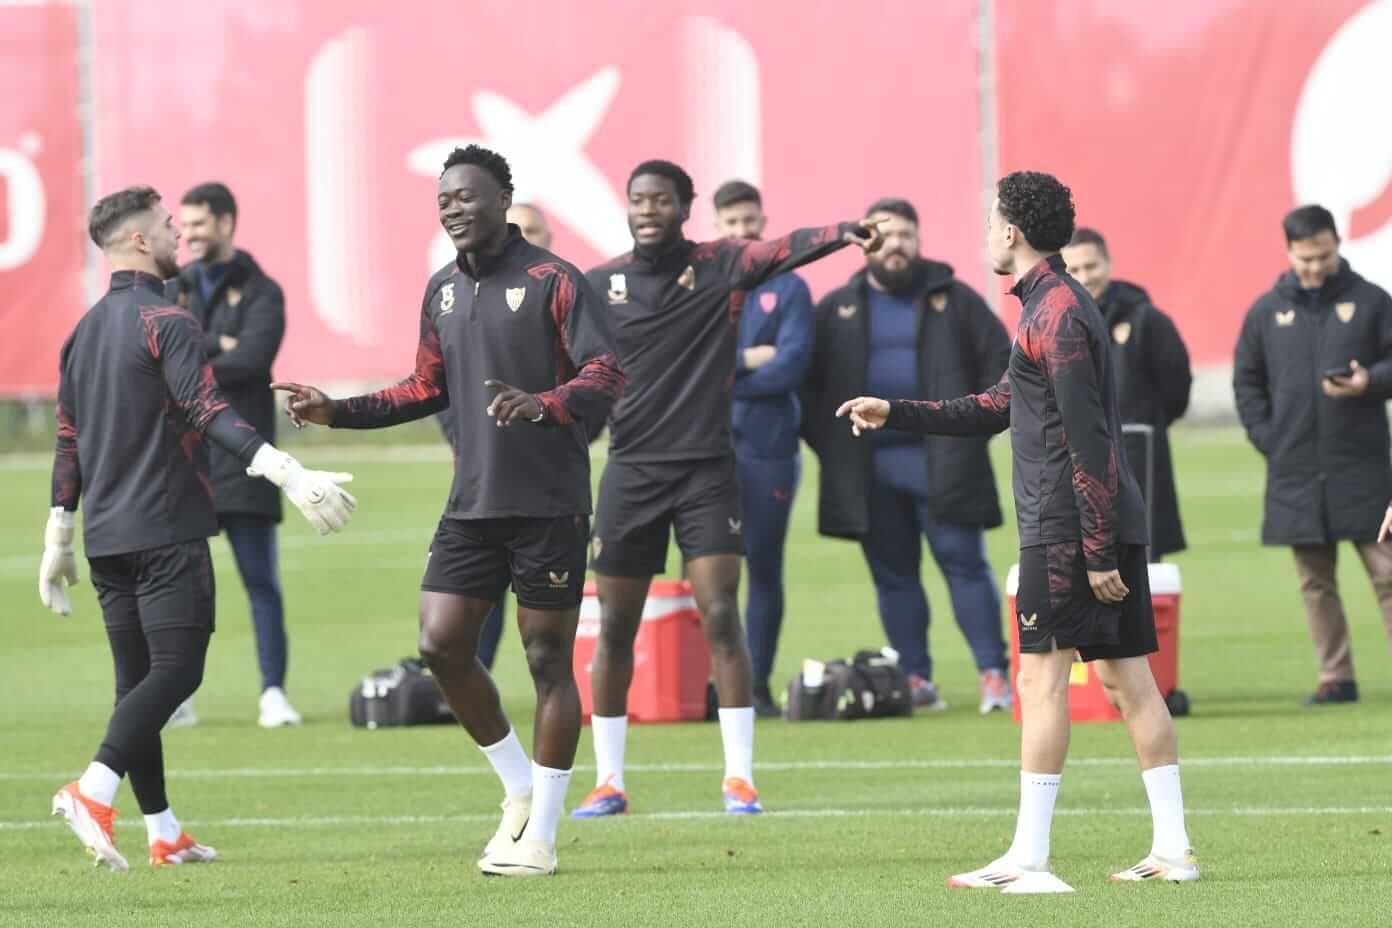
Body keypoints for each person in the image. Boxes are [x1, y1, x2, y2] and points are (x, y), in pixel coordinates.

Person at [837, 171, 1196, 891]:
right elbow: (999, 405)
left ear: (1010, 232)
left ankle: (1030, 858)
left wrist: (1095, 550)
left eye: (989, 223)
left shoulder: (1055, 311)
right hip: (1094, 522)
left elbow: (1088, 439)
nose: (984, 236)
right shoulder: (1052, 304)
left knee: (1040, 679)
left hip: (1067, 527)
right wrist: (896, 411)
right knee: (1129, 683)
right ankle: (1174, 851)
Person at [272, 145, 624, 877]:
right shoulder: (441, 291)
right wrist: (334, 411)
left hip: (549, 505)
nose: (454, 208)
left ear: (503, 198)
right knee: (440, 645)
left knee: (545, 661)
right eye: (445, 201)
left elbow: (606, 371)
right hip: (473, 504)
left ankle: (545, 837)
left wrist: (546, 404)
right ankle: (519, 789)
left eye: (467, 196)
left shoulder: (554, 280)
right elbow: (422, 387)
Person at [39, 185, 357, 872]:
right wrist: (289, 472)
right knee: (179, 673)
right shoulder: (168, 321)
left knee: (138, 688)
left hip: (107, 538)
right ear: (138, 243)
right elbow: (209, 410)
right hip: (166, 527)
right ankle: (94, 791)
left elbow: (68, 439)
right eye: (164, 226)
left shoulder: (83, 331)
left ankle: (163, 830)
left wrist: (58, 536)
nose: (176, 235)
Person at [572, 159, 884, 819]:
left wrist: (846, 231)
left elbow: (787, 247)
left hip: (708, 469)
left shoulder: (722, 265)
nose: (647, 209)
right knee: (617, 627)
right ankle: (607, 781)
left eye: (660, 200)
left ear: (685, 207)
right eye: (637, 200)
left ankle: (739, 779)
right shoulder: (601, 285)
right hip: (630, 470)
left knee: (719, 612)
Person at [804, 197, 1012, 713]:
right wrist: (834, 444)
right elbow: (807, 392)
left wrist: (970, 431)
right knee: (893, 576)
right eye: (884, 234)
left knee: (965, 567)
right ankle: (916, 678)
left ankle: (993, 675)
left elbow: (1006, 372)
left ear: (919, 241)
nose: (895, 245)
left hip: (944, 463)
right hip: (869, 470)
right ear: (863, 242)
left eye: (905, 235)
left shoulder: (957, 300)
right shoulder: (835, 308)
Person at [1233, 204, 1392, 706]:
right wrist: (1269, 439)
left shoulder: (1371, 302)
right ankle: (1336, 676)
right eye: (1305, 258)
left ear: (1337, 244)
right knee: (1315, 583)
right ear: (1289, 252)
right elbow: (1247, 383)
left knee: (1389, 575)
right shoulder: (1264, 312)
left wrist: (1372, 382)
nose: (1315, 267)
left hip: (1363, 467)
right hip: (1297, 471)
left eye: (1323, 256)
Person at [162, 182, 299, 730]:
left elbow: (254, 361)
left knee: (260, 580)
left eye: (197, 224)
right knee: (180, 587)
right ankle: (177, 696)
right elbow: (161, 358)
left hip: (247, 456)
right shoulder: (175, 286)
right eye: (184, 225)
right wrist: (221, 345)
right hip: (187, 460)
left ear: (225, 222)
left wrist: (197, 357)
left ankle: (273, 693)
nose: (188, 234)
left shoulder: (263, 289)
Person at [435, 204, 554, 671]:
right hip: (482, 475)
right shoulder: (461, 293)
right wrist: (468, 440)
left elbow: (596, 379)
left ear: (548, 235)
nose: (521, 237)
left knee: (546, 638)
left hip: (548, 485)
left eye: (531, 230)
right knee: (456, 619)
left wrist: (561, 429)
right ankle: (473, 679)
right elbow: (438, 383)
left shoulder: (565, 291)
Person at [712, 180, 814, 718]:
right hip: (706, 448)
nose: (742, 231)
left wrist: (725, 374)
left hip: (769, 447)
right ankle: (713, 683)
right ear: (716, 228)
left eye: (749, 221)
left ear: (763, 220)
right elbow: (689, 367)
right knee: (709, 570)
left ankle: (755, 684)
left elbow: (791, 366)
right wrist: (750, 360)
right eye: (731, 223)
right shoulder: (702, 289)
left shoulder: (790, 288)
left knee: (764, 568)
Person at [1063, 227, 1192, 559]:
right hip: (1075, 459)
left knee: (1141, 566)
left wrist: (1143, 422)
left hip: (1138, 457)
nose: (1084, 277)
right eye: (1074, 270)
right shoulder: (1058, 322)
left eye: (1091, 267)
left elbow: (1176, 386)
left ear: (1108, 263)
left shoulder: (1147, 319)